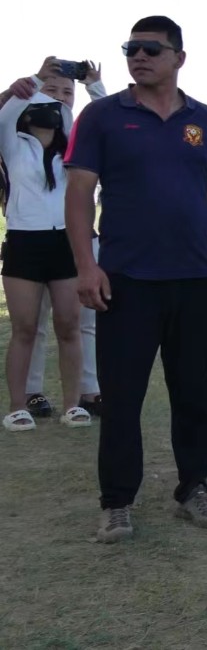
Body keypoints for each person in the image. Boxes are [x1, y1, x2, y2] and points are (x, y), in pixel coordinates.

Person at [64, 15, 207, 543]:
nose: (138, 56)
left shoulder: (206, 121)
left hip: (191, 280)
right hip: (125, 280)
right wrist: (85, 265)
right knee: (122, 397)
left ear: (179, 58)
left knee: (194, 393)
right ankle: (117, 502)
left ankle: (194, 489)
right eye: (131, 48)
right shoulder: (101, 116)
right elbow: (78, 195)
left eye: (151, 49)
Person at [8, 62, 107, 424]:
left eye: (68, 92)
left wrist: (95, 86)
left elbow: (103, 119)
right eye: (52, 90)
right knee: (30, 325)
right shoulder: (14, 138)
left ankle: (81, 397)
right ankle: (26, 398)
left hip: (72, 238)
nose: (60, 100)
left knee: (78, 323)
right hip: (26, 240)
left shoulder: (76, 137)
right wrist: (35, 77)